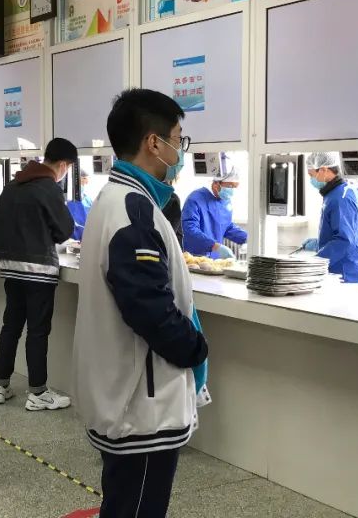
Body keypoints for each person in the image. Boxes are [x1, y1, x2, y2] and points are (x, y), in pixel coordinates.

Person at [73, 88, 209, 518]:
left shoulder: (119, 198)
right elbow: (148, 308)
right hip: (141, 406)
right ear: (154, 143)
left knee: (124, 503)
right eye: (178, 139)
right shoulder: (133, 210)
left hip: (127, 395)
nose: (180, 151)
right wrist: (195, 348)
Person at [0, 138, 78, 410]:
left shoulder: (14, 184)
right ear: (63, 165)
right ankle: (38, 392)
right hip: (38, 269)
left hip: (10, 267)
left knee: (11, 326)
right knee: (38, 330)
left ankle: (0, 386)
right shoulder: (49, 187)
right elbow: (64, 230)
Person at [302, 152, 358, 287]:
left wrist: (315, 264)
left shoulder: (341, 197)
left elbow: (345, 241)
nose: (311, 180)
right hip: (346, 272)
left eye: (311, 175)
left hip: (350, 276)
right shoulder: (335, 193)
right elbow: (344, 232)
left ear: (323, 170)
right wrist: (320, 244)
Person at [181, 167, 246, 259]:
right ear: (216, 183)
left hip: (215, 257)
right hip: (195, 257)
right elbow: (190, 229)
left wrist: (246, 238)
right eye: (230, 186)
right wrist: (215, 246)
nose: (232, 191)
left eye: (234, 187)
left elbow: (226, 226)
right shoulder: (195, 199)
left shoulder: (225, 201)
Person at [67, 168, 92, 241]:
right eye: (84, 178)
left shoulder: (87, 199)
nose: (86, 182)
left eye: (87, 179)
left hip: (85, 234)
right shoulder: (70, 199)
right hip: (75, 235)